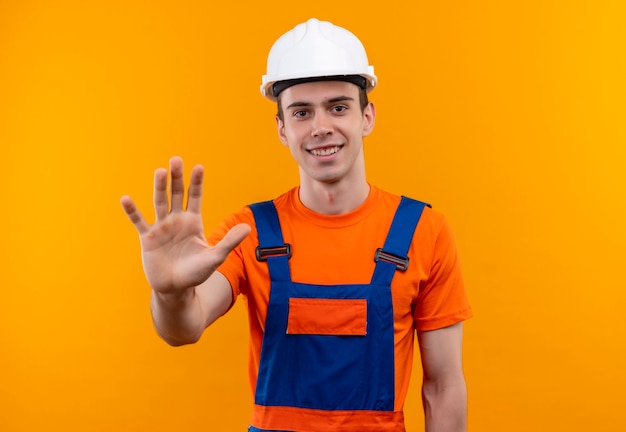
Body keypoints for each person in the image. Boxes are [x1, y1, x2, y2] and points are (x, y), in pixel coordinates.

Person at [121, 18, 472, 432]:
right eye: (301, 112)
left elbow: (443, 386)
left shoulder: (422, 231)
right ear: (282, 129)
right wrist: (170, 292)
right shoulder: (248, 232)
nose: (321, 126)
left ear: (367, 117)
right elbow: (183, 329)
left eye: (338, 106)